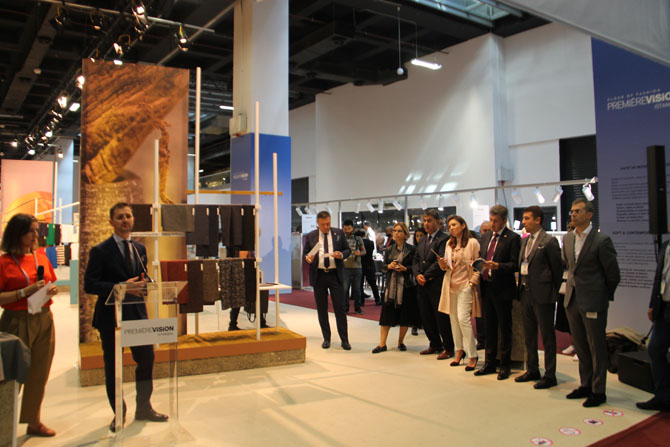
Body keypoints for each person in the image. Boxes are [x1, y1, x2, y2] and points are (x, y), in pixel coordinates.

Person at [84, 202, 168, 431]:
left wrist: (145, 284)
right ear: (111, 221)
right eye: (120, 217)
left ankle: (144, 407)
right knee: (114, 366)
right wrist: (121, 287)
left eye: (128, 216)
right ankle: (118, 413)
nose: (125, 220)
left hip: (137, 314)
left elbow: (141, 277)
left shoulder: (140, 248)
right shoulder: (100, 251)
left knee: (147, 360)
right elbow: (90, 285)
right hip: (111, 318)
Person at [0, 213, 59, 437]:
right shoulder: (4, 263)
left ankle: (33, 421)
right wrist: (23, 292)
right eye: (30, 231)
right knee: (11, 374)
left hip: (43, 319)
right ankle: (4, 422)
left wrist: (51, 290)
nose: (36, 235)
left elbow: (51, 282)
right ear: (17, 233)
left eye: (37, 231)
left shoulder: (41, 258)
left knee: (39, 373)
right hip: (16, 321)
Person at [562, 198, 620, 407]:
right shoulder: (568, 239)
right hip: (572, 299)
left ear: (589, 214)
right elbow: (569, 267)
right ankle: (585, 384)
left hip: (594, 299)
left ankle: (598, 390)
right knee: (580, 345)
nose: (573, 214)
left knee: (596, 346)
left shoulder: (601, 240)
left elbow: (613, 274)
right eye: (572, 211)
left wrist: (603, 295)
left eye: (578, 211)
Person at [515, 206, 563, 389]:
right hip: (525, 293)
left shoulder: (549, 241)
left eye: (527, 218)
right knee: (529, 335)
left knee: (547, 336)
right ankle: (532, 369)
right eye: (523, 218)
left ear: (538, 220)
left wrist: (551, 290)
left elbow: (557, 270)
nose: (524, 222)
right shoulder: (525, 241)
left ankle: (550, 374)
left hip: (543, 295)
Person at [474, 205, 520, 380]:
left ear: (504, 221)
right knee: (489, 327)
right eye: (491, 220)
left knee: (504, 328)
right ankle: (489, 362)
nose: (492, 224)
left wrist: (498, 266)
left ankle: (505, 364)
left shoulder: (513, 238)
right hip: (487, 287)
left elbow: (515, 264)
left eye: (495, 221)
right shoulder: (486, 237)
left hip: (503, 288)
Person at [437, 215, 481, 371]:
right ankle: (459, 350)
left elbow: (478, 264)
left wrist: (472, 282)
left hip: (465, 285)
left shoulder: (472, 243)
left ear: (463, 225)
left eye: (454, 225)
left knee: (463, 319)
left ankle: (472, 354)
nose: (451, 228)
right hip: (450, 284)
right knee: (453, 319)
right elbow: (447, 266)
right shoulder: (449, 243)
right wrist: (442, 264)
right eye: (449, 226)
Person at [303, 211, 352, 350]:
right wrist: (308, 258)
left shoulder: (338, 233)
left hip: (335, 275)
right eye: (323, 224)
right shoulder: (311, 236)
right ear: (318, 223)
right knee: (322, 309)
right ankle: (326, 338)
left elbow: (347, 250)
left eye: (328, 224)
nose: (326, 227)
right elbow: (306, 254)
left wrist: (341, 254)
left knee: (340, 308)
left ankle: (345, 340)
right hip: (319, 276)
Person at [412, 208, 454, 359]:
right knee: (426, 316)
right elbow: (416, 260)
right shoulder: (423, 239)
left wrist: (425, 275)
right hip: (422, 285)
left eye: (429, 221)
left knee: (441, 317)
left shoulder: (444, 239)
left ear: (438, 222)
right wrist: (417, 274)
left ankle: (448, 347)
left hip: (436, 283)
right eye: (424, 221)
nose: (426, 223)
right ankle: (434, 344)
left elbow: (440, 261)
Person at [372, 223, 419, 353]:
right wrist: (389, 266)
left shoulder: (412, 249)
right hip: (391, 287)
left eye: (399, 231)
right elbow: (383, 266)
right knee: (386, 316)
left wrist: (405, 269)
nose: (396, 233)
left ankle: (401, 342)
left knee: (404, 316)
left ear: (405, 234)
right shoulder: (389, 249)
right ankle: (382, 344)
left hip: (407, 286)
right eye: (395, 231)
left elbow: (416, 267)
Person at [637, 238, 670, 411]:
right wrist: (653, 305)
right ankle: (662, 396)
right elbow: (658, 278)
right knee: (655, 349)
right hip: (664, 307)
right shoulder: (666, 245)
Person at [342, 220, 366, 314]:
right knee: (345, 289)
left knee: (357, 289)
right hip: (345, 267)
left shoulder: (358, 239)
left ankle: (357, 307)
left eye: (349, 228)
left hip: (357, 267)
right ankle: (345, 308)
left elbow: (364, 251)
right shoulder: (341, 239)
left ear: (352, 228)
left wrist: (360, 253)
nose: (347, 230)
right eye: (345, 229)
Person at [474, 221, 491, 350]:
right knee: (479, 314)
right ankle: (481, 340)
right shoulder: (478, 244)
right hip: (479, 282)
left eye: (487, 230)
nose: (485, 233)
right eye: (483, 230)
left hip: (492, 282)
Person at [358, 229, 381, 305]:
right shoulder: (370, 243)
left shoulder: (358, 243)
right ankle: (377, 299)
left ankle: (361, 301)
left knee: (360, 284)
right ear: (365, 234)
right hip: (369, 264)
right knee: (373, 283)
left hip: (360, 264)